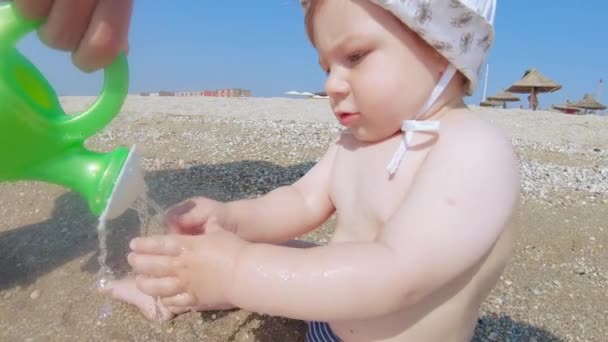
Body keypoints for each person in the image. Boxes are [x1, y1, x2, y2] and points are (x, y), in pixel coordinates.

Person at [18, 1, 521, 341]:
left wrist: (236, 269)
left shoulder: (472, 151)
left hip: (380, 318)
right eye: (326, 66)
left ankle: (204, 280)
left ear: (443, 54)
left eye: (355, 56)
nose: (332, 84)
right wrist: (235, 221)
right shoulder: (353, 144)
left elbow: (398, 275)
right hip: (330, 313)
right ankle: (170, 290)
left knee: (237, 264)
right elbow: (301, 201)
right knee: (238, 252)